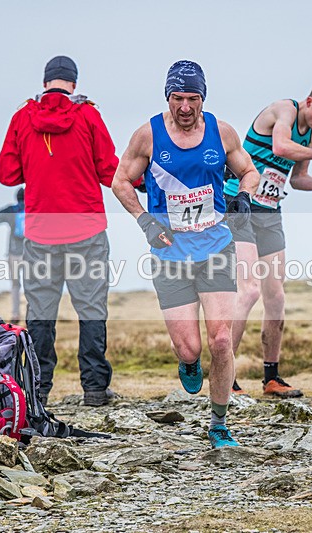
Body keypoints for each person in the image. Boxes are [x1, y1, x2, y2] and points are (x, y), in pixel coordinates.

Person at [112, 60, 260, 448]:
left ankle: (219, 424)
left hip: (215, 248)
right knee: (191, 348)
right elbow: (120, 181)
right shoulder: (148, 135)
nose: (185, 107)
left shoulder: (221, 132)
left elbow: (249, 170)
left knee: (222, 340)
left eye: (192, 98)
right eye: (178, 98)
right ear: (168, 98)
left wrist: (244, 195)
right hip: (169, 254)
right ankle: (189, 361)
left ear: (202, 98)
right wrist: (145, 221)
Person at [0, 56, 117, 407]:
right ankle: (95, 389)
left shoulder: (22, 117)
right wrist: (140, 182)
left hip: (40, 234)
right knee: (92, 307)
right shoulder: (89, 115)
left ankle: (38, 389)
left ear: (46, 81)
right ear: (73, 84)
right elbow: (109, 169)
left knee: (41, 311)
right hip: (87, 230)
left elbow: (6, 174)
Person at [223, 80, 312, 398]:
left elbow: (298, 177)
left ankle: (271, 378)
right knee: (247, 291)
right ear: (309, 101)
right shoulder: (283, 110)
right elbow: (280, 147)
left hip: (271, 212)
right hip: (240, 205)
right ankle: (226, 377)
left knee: (275, 297)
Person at [0, 187, 26, 323]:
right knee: (32, 286)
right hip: (31, 254)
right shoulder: (34, 210)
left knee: (15, 285)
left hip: (13, 253)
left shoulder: (12, 211)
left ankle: (16, 315)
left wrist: (7, 214)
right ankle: (32, 314)